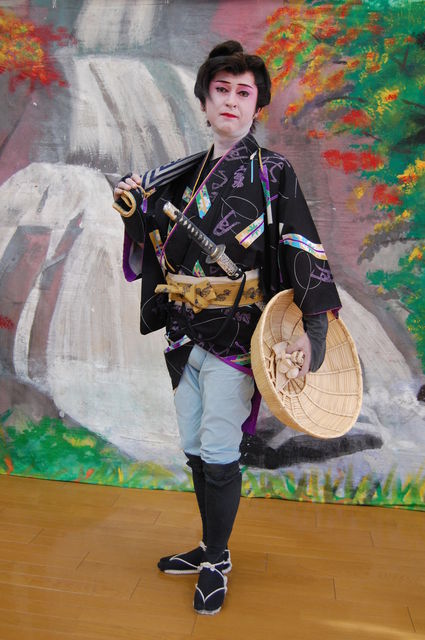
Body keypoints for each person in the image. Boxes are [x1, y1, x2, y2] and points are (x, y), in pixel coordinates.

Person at [113, 40, 341, 615]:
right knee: (194, 447)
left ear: (257, 106)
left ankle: (217, 559)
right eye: (222, 90)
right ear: (204, 101)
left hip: (237, 335)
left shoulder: (272, 173)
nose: (232, 102)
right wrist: (135, 208)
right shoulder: (183, 177)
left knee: (219, 450)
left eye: (244, 92)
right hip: (183, 330)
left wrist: (314, 330)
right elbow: (155, 240)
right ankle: (209, 543)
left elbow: (300, 246)